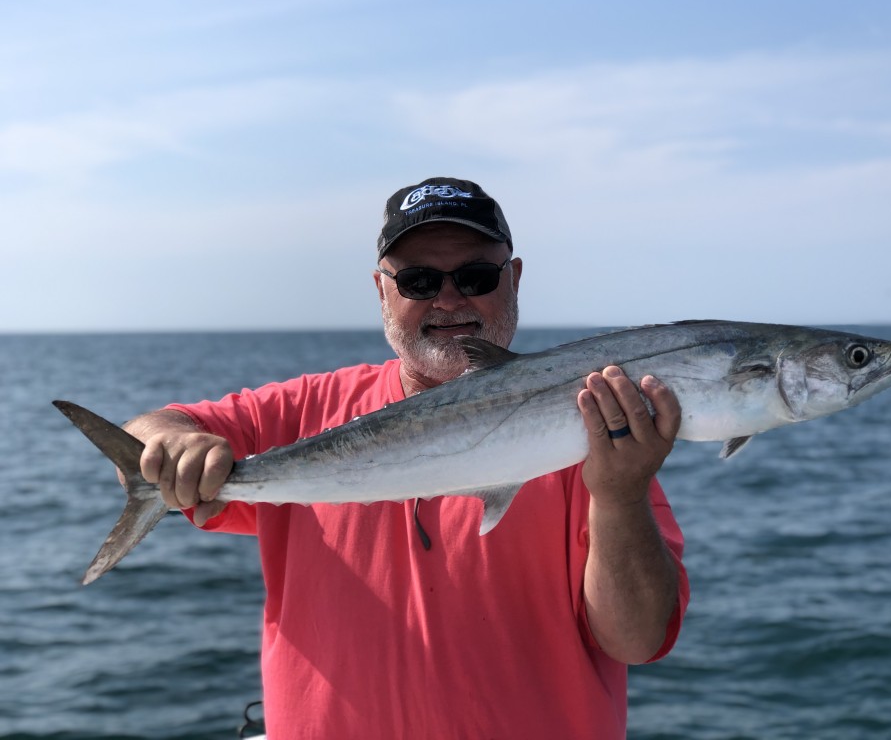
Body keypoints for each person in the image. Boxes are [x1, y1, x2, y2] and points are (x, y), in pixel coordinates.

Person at [123, 177, 690, 739]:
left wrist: (620, 495)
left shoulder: (598, 423)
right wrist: (169, 444)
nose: (448, 299)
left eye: (475, 276)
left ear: (514, 279)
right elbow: (156, 428)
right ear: (381, 289)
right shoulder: (304, 411)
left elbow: (637, 640)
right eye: (418, 280)